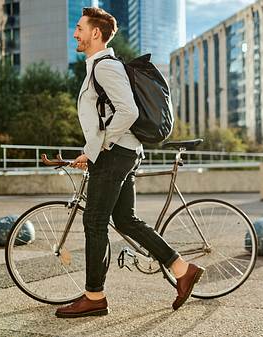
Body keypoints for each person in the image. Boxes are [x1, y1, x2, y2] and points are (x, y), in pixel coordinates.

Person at [55, 7, 204, 318]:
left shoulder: (105, 67)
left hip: (115, 156)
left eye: (80, 28)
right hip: (122, 153)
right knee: (124, 221)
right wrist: (90, 151)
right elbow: (107, 117)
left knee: (94, 222)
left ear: (96, 33)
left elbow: (128, 113)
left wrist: (101, 148)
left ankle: (94, 297)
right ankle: (182, 269)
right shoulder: (99, 67)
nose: (75, 33)